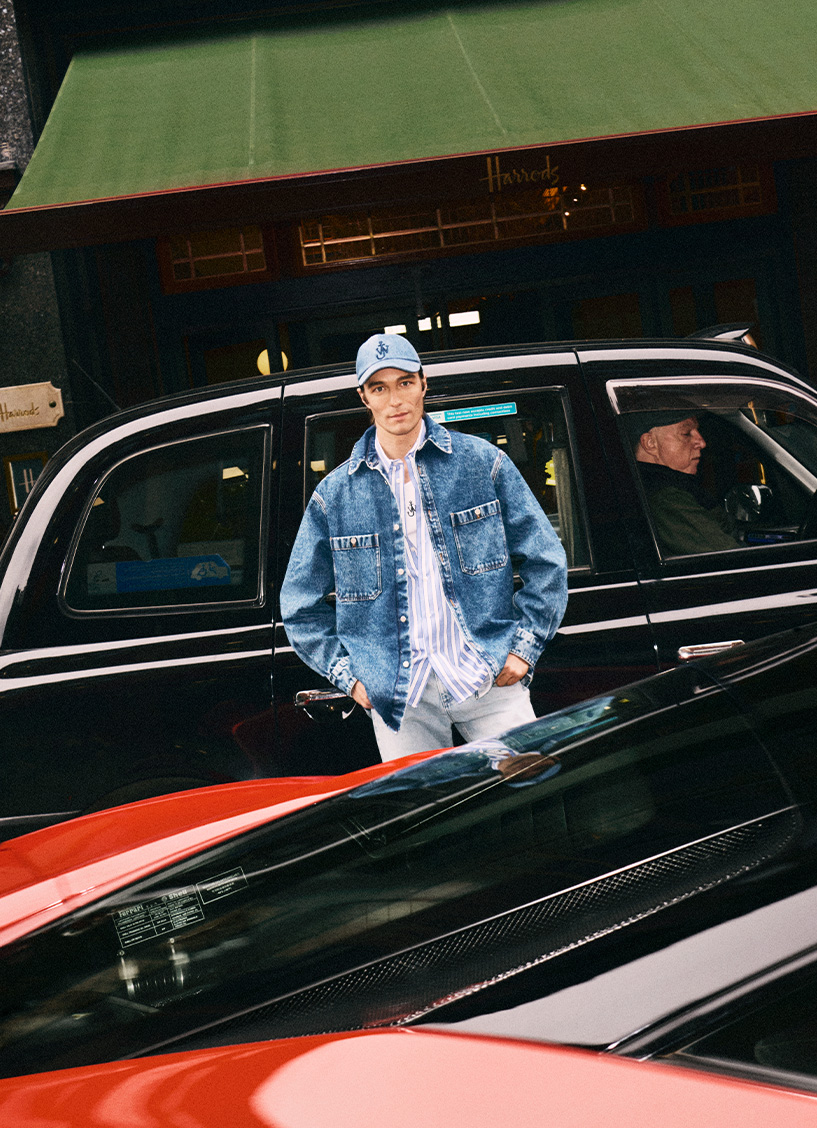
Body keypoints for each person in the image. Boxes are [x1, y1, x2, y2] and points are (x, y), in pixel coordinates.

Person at [281, 332, 568, 761]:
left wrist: (523, 647)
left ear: (423, 384)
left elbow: (546, 558)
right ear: (364, 397)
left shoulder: (482, 464)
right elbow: (298, 605)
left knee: (530, 799)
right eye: (380, 387)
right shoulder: (335, 495)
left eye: (404, 383)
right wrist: (353, 678)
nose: (395, 399)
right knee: (426, 818)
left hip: (486, 676)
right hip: (401, 697)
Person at [630, 410, 740, 555]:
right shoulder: (666, 498)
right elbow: (731, 557)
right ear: (650, 443)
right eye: (686, 433)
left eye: (698, 431)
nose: (702, 442)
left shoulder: (644, 487)